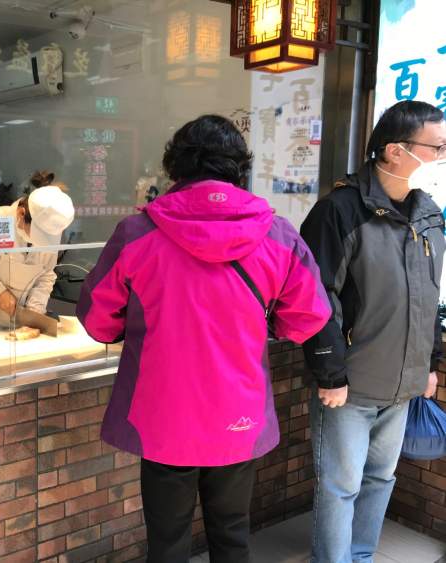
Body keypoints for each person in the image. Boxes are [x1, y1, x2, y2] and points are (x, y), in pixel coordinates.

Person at [77, 115, 331, 563]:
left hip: (162, 413)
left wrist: (129, 327)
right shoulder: (277, 235)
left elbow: (98, 319)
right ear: (239, 167)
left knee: (167, 542)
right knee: (232, 538)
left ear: (175, 166)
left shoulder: (137, 234)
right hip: (238, 412)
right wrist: (268, 324)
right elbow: (308, 317)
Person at [300, 100, 446, 563]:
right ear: (395, 151)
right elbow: (316, 298)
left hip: (403, 385)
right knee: (340, 485)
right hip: (351, 386)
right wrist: (330, 374)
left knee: (381, 478)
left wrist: (429, 365)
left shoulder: (427, 213)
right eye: (437, 147)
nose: (441, 158)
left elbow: (428, 295)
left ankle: (360, 556)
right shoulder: (340, 211)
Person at [0, 185, 75, 330]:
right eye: (38, 234)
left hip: (16, 327)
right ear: (22, 213)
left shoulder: (50, 235)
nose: (39, 242)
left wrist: (35, 310)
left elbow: (46, 275)